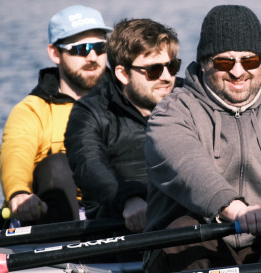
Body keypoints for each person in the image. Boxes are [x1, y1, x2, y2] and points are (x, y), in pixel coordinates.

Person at [143, 4, 261, 273]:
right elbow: (189, 165)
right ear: (204, 63)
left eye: (249, 61)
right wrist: (235, 210)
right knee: (183, 229)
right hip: (196, 243)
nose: (238, 72)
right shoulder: (171, 113)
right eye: (224, 62)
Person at [0, 5, 112, 226]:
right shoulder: (32, 110)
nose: (92, 56)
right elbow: (16, 152)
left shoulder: (124, 100)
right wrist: (19, 192)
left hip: (114, 212)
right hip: (52, 217)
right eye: (80, 49)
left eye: (100, 47)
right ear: (55, 53)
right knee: (57, 165)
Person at [65, 18, 181, 232]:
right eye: (154, 70)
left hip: (181, 220)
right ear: (123, 74)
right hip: (121, 224)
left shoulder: (187, 98)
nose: (167, 78)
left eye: (172, 66)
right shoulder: (90, 112)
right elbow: (88, 165)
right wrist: (128, 198)